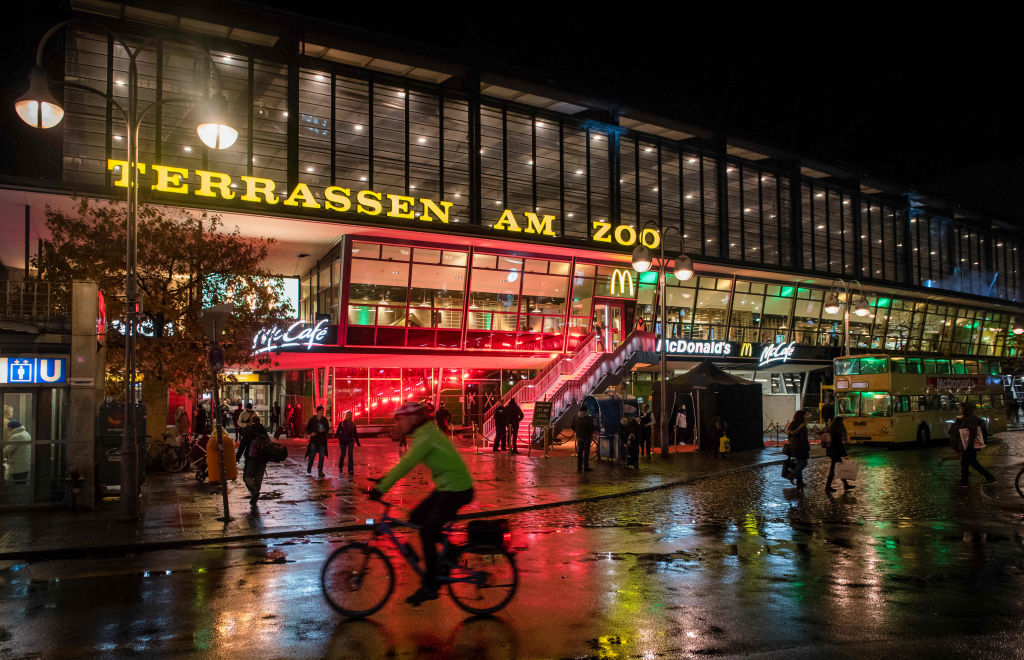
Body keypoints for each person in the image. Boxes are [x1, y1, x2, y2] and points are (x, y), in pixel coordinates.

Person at [370, 402, 474, 606]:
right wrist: (382, 480)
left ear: (413, 418)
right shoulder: (424, 434)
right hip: (447, 487)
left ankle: (431, 585)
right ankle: (450, 552)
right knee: (416, 517)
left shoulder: (426, 437)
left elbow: (406, 464)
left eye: (400, 419)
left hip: (456, 490)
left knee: (426, 531)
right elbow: (404, 463)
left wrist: (381, 488)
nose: (398, 424)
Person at [951, 402, 996, 486]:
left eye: (961, 408)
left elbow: (973, 432)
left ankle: (989, 477)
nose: (959, 409)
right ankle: (964, 481)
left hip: (969, 445)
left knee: (973, 462)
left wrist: (970, 444)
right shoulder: (967, 418)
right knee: (964, 462)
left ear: (965, 409)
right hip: (966, 445)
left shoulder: (970, 419)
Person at [242, 419, 271, 507]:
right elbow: (268, 444)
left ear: (252, 422)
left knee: (247, 476)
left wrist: (238, 456)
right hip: (262, 459)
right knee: (259, 478)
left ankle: (254, 490)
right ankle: (255, 493)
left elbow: (243, 444)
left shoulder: (249, 431)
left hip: (251, 458)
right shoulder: (263, 431)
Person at [824, 415, 854, 493]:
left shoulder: (831, 429)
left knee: (837, 469)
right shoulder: (837, 431)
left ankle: (845, 484)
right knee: (835, 470)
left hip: (832, 452)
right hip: (835, 453)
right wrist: (845, 454)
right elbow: (839, 444)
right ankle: (828, 487)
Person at [785, 410, 810, 490]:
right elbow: (803, 439)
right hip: (801, 447)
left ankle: (800, 483)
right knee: (803, 463)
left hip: (793, 447)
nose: (806, 417)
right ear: (801, 416)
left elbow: (789, 437)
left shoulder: (792, 424)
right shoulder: (802, 426)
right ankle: (791, 476)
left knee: (799, 463)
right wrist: (806, 447)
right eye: (805, 415)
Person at [3, 420, 31, 485]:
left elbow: (7, 451)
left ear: (11, 428)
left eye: (8, 428)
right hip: (25, 465)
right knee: (22, 484)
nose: (8, 430)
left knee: (17, 485)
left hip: (18, 467)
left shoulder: (16, 436)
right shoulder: (26, 434)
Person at [305, 405, 330, 478]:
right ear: (318, 411)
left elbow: (327, 428)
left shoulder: (324, 420)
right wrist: (311, 433)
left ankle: (320, 471)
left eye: (323, 411)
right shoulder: (312, 419)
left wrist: (325, 431)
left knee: (321, 456)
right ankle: (309, 466)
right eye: (321, 411)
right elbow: (308, 428)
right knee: (312, 455)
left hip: (322, 440)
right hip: (314, 440)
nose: (322, 412)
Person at [336, 411, 361, 476]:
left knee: (350, 455)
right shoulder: (341, 423)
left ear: (351, 416)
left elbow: (355, 434)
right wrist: (340, 438)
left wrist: (357, 442)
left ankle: (350, 470)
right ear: (345, 416)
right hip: (343, 441)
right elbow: (337, 432)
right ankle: (340, 467)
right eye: (347, 415)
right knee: (343, 454)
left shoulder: (353, 424)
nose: (348, 416)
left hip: (350, 441)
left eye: (349, 415)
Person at [573, 407, 595, 472]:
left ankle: (579, 468)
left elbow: (572, 426)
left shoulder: (576, 417)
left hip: (579, 437)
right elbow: (591, 428)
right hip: (587, 437)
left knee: (579, 452)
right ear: (586, 411)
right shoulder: (589, 418)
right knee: (586, 452)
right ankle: (586, 467)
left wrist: (578, 432)